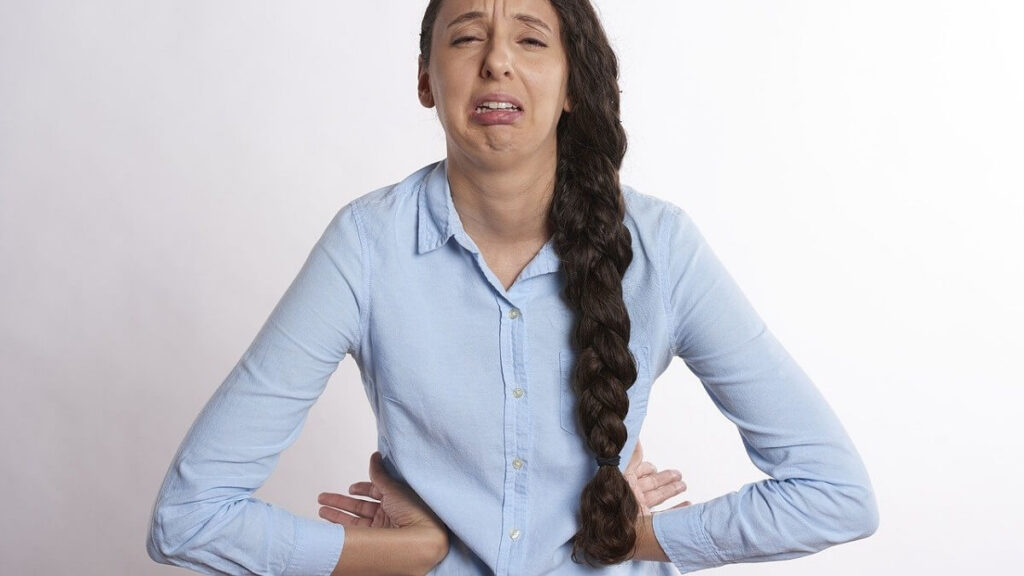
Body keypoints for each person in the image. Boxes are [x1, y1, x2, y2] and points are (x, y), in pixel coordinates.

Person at [146, 0, 879, 574]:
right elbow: (189, 518)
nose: (497, 61)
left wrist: (636, 538)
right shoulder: (367, 245)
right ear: (427, 80)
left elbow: (835, 495)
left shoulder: (661, 248)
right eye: (466, 37)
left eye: (531, 39)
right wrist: (411, 552)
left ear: (571, 85)